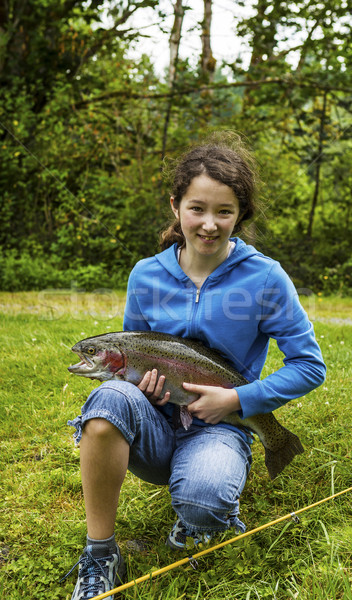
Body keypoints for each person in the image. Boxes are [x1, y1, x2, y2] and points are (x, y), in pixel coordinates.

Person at [65, 131, 326, 600]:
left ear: (240, 214)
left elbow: (310, 366)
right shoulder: (145, 274)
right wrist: (143, 388)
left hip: (221, 426)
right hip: (156, 422)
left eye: (224, 212)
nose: (209, 224)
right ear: (175, 207)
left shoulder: (266, 278)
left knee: (204, 504)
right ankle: (101, 551)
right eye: (197, 209)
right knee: (108, 397)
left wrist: (237, 399)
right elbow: (136, 348)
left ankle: (209, 503)